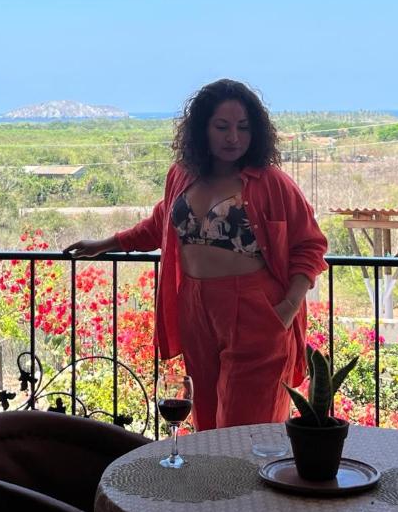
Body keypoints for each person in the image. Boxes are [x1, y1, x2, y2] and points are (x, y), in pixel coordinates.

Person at [64, 79, 327, 430]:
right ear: (202, 128)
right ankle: (213, 487)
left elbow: (310, 244)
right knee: (205, 424)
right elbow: (161, 223)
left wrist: (287, 308)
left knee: (245, 428)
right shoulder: (181, 176)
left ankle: (248, 488)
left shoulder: (270, 183)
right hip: (195, 307)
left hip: (255, 308)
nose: (233, 137)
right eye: (222, 126)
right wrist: (107, 244)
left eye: (243, 127)